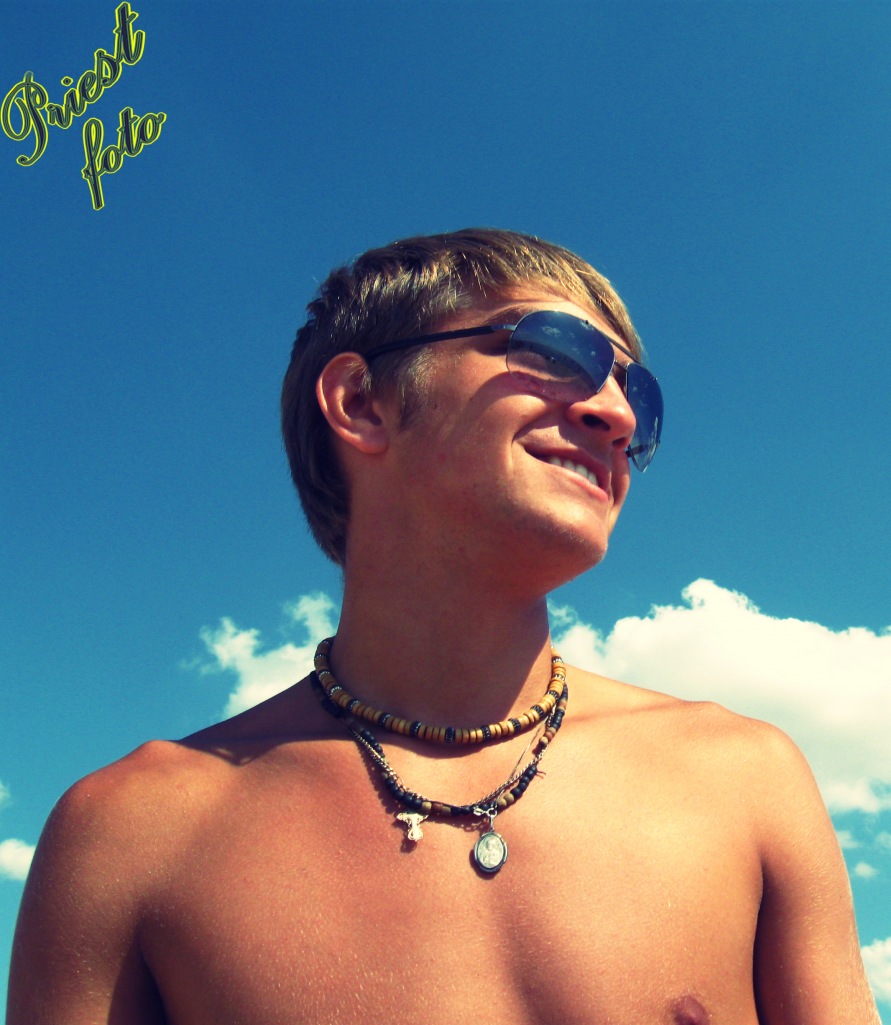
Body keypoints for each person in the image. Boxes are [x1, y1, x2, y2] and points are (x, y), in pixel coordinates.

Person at [8, 228, 879, 1024]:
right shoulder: (131, 832)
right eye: (554, 350)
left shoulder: (744, 778)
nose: (614, 415)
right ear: (361, 401)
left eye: (635, 395)